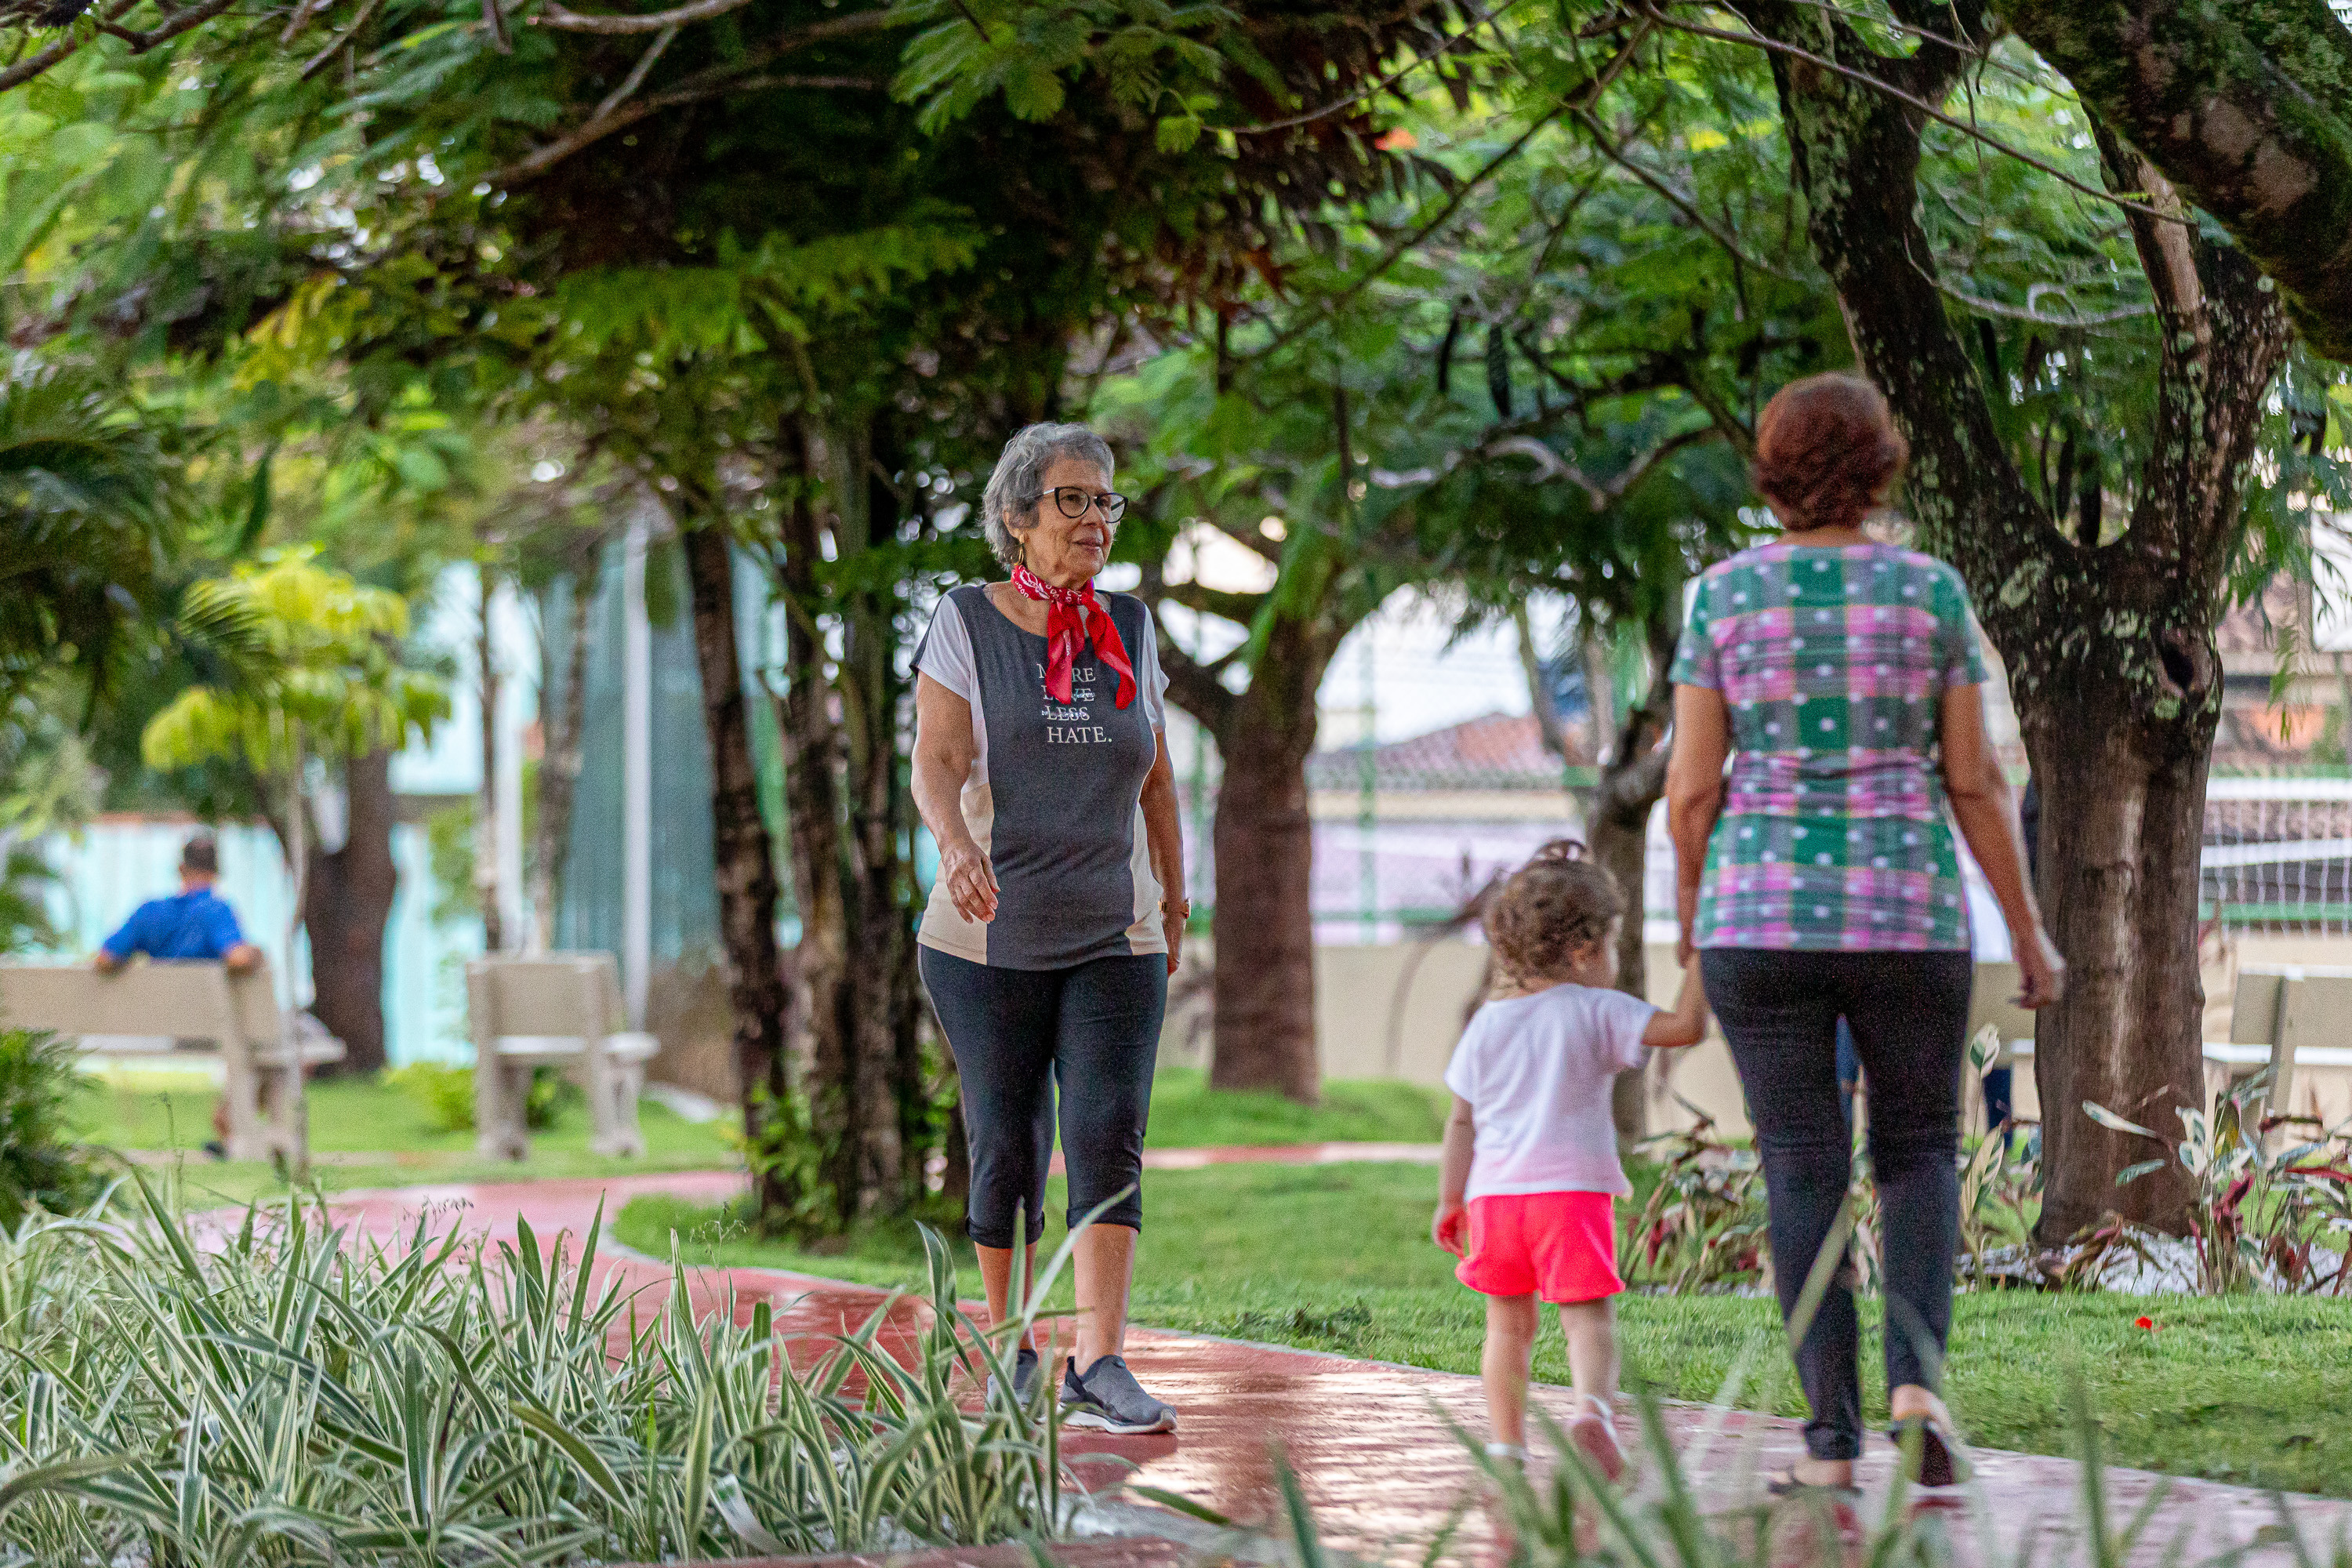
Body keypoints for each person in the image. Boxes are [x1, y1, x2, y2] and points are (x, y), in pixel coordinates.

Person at [1664, 372, 2064, 1497]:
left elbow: (1692, 789)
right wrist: (2028, 934)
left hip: (1761, 916)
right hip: (1906, 913)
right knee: (1921, 1153)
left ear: (1774, 468)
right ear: (1882, 463)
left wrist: (1698, 919)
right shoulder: (1929, 594)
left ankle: (1832, 1446)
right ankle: (1920, 1391)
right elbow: (1978, 782)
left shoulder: (1724, 599)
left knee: (1800, 1164)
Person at [909, 422, 1187, 1435]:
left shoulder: (1133, 628)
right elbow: (936, 760)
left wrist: (1180, 895)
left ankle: (1101, 1360)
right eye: (1072, 500)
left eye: (1106, 501)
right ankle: (1015, 1345)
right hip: (987, 936)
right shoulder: (964, 623)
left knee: (1109, 1133)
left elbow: (1157, 777)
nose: (1095, 520)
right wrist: (953, 843)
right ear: (1017, 518)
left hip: (1118, 930)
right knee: (1008, 1144)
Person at [1432, 842, 1709, 1481]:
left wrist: (1451, 1200)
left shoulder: (1487, 1023)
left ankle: (1505, 1446)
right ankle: (1592, 1411)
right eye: (1612, 942)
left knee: (1507, 1329)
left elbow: (1461, 1121)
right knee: (1587, 1319)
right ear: (1585, 950)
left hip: (1495, 1200)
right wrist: (1700, 962)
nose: (1615, 957)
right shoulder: (1596, 1010)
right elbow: (1685, 1028)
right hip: (1572, 1197)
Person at [94, 833, 264, 1154]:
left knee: (260, 1040)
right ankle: (231, 1119)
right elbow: (237, 958)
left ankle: (230, 1119)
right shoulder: (217, 910)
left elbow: (104, 960)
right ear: (217, 872)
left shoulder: (149, 912)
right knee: (278, 1041)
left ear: (180, 868)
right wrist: (257, 954)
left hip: (167, 1027)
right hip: (211, 1028)